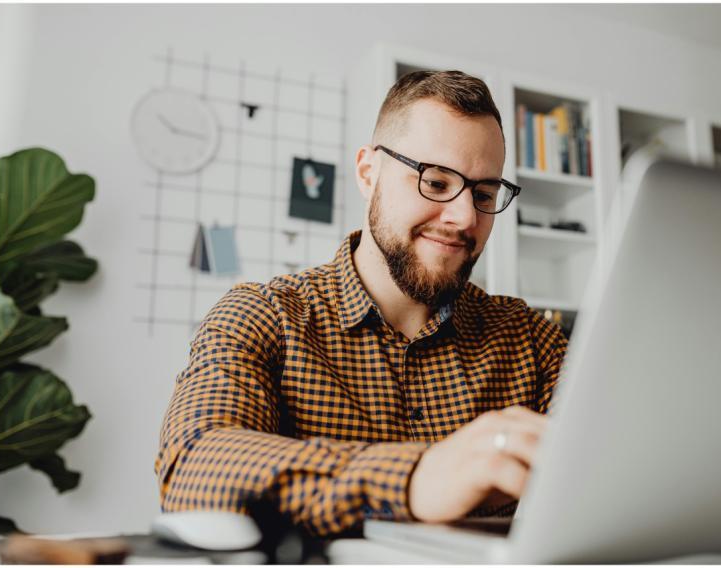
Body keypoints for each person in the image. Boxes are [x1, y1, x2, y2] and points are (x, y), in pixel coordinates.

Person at [155, 70, 567, 537]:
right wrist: (416, 478)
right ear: (368, 173)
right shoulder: (262, 315)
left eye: (484, 193)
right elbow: (193, 470)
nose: (465, 217)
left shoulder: (531, 339)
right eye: (434, 182)